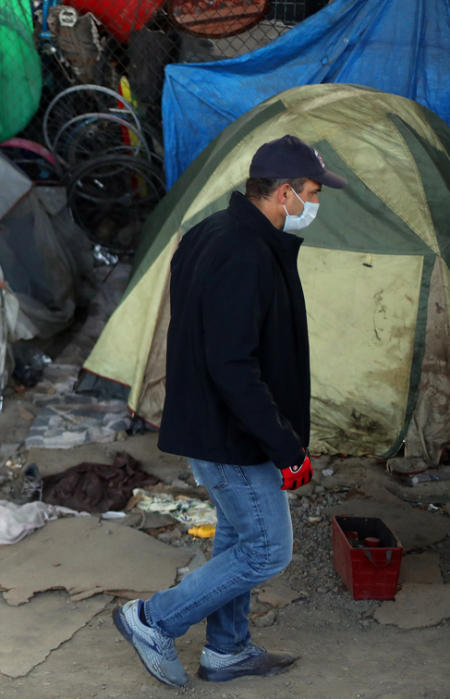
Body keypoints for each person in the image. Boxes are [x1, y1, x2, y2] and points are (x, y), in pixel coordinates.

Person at [113, 134, 346, 687]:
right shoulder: (244, 251)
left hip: (223, 425)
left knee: (239, 538)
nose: (316, 203)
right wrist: (286, 447)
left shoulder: (216, 232)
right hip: (232, 433)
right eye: (312, 192)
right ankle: (152, 619)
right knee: (267, 551)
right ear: (285, 193)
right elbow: (233, 365)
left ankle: (227, 650)